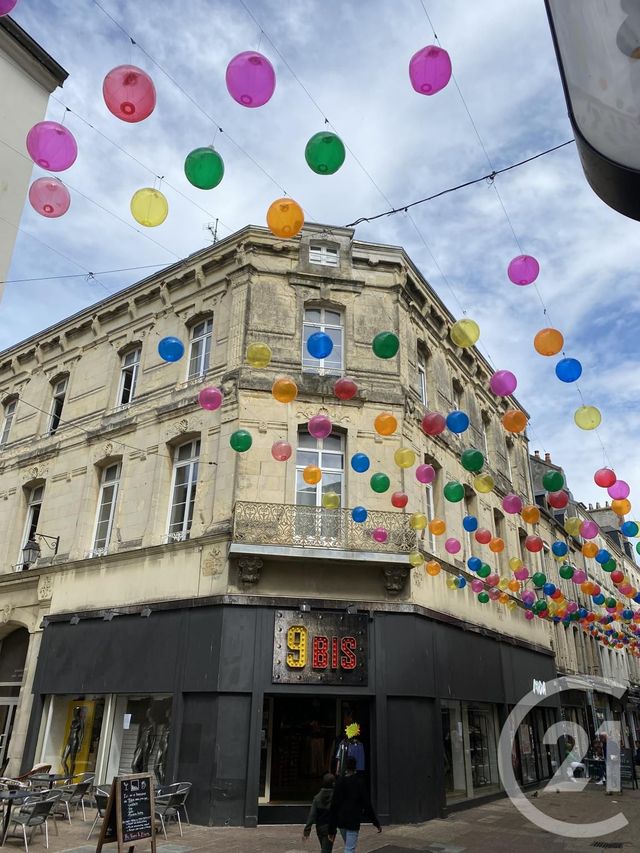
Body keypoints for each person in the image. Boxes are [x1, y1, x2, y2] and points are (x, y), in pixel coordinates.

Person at [328, 757, 381, 853]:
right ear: (355, 767)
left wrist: (331, 829)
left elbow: (334, 805)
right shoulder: (359, 782)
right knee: (349, 848)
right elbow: (367, 804)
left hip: (342, 820)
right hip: (353, 819)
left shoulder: (340, 782)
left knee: (349, 846)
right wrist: (375, 822)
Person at [303, 773, 335, 853]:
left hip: (320, 827)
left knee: (324, 848)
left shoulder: (317, 798)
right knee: (326, 850)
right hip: (330, 827)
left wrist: (307, 830)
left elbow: (312, 815)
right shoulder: (335, 797)